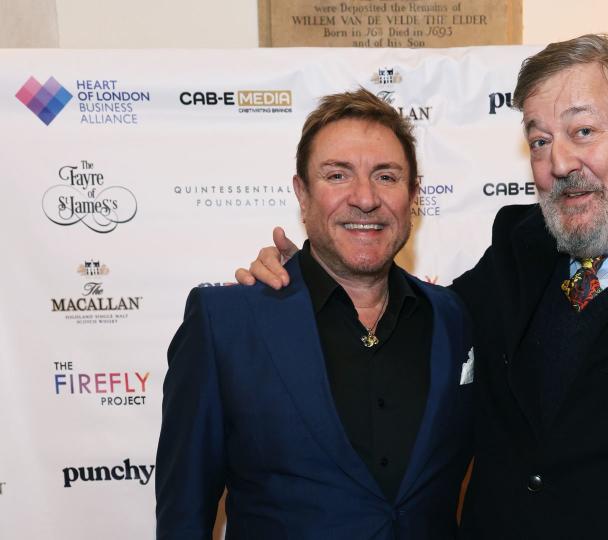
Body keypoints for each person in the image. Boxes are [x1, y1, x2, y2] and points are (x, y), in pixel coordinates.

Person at [238, 34, 608, 538]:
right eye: (540, 140)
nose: (559, 163)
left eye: (583, 131)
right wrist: (320, 276)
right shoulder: (519, 254)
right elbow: (409, 319)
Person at [156, 89, 474, 540]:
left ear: (413, 196)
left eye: (386, 176)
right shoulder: (225, 324)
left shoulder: (453, 318)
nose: (365, 198)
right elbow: (183, 516)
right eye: (337, 175)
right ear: (302, 195)